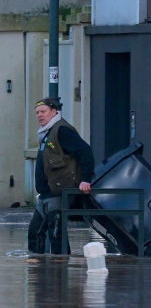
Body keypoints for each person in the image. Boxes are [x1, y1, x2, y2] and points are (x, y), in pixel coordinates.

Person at [28, 98, 96, 254]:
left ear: (54, 112)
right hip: (45, 193)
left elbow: (85, 152)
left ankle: (60, 271)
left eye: (43, 111)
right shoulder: (46, 133)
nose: (39, 115)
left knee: (55, 233)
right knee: (34, 231)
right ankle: (36, 269)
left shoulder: (62, 130)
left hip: (59, 192)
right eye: (37, 113)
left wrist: (85, 180)